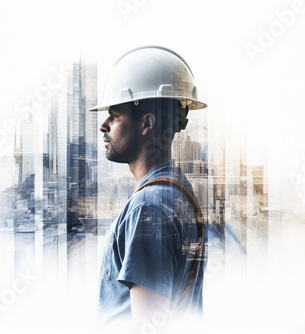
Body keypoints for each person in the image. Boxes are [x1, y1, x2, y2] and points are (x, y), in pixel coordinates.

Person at [90, 46, 208, 331]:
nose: (103, 125)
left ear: (147, 123)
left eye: (114, 115)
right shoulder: (177, 193)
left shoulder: (149, 207)